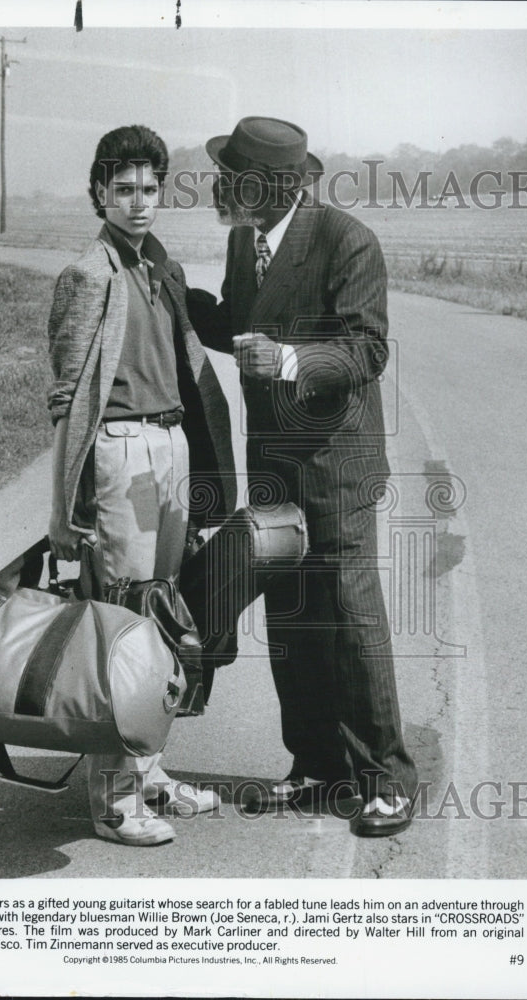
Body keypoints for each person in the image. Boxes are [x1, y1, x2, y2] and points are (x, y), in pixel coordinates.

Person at [186, 116, 418, 837]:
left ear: (276, 184)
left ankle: (386, 779)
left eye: (235, 177)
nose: (221, 187)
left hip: (336, 466)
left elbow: (364, 350)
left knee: (348, 617)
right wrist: (167, 289)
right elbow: (234, 319)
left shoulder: (347, 240)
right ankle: (319, 768)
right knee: (291, 618)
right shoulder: (241, 238)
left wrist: (287, 361)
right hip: (276, 468)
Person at [47, 125, 236, 846]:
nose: (137, 202)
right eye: (123, 189)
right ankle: (112, 798)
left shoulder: (162, 268)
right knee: (119, 624)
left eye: (149, 189)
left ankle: (150, 771)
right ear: (99, 191)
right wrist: (66, 507)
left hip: (172, 445)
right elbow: (66, 398)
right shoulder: (88, 273)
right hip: (120, 449)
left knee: (164, 617)